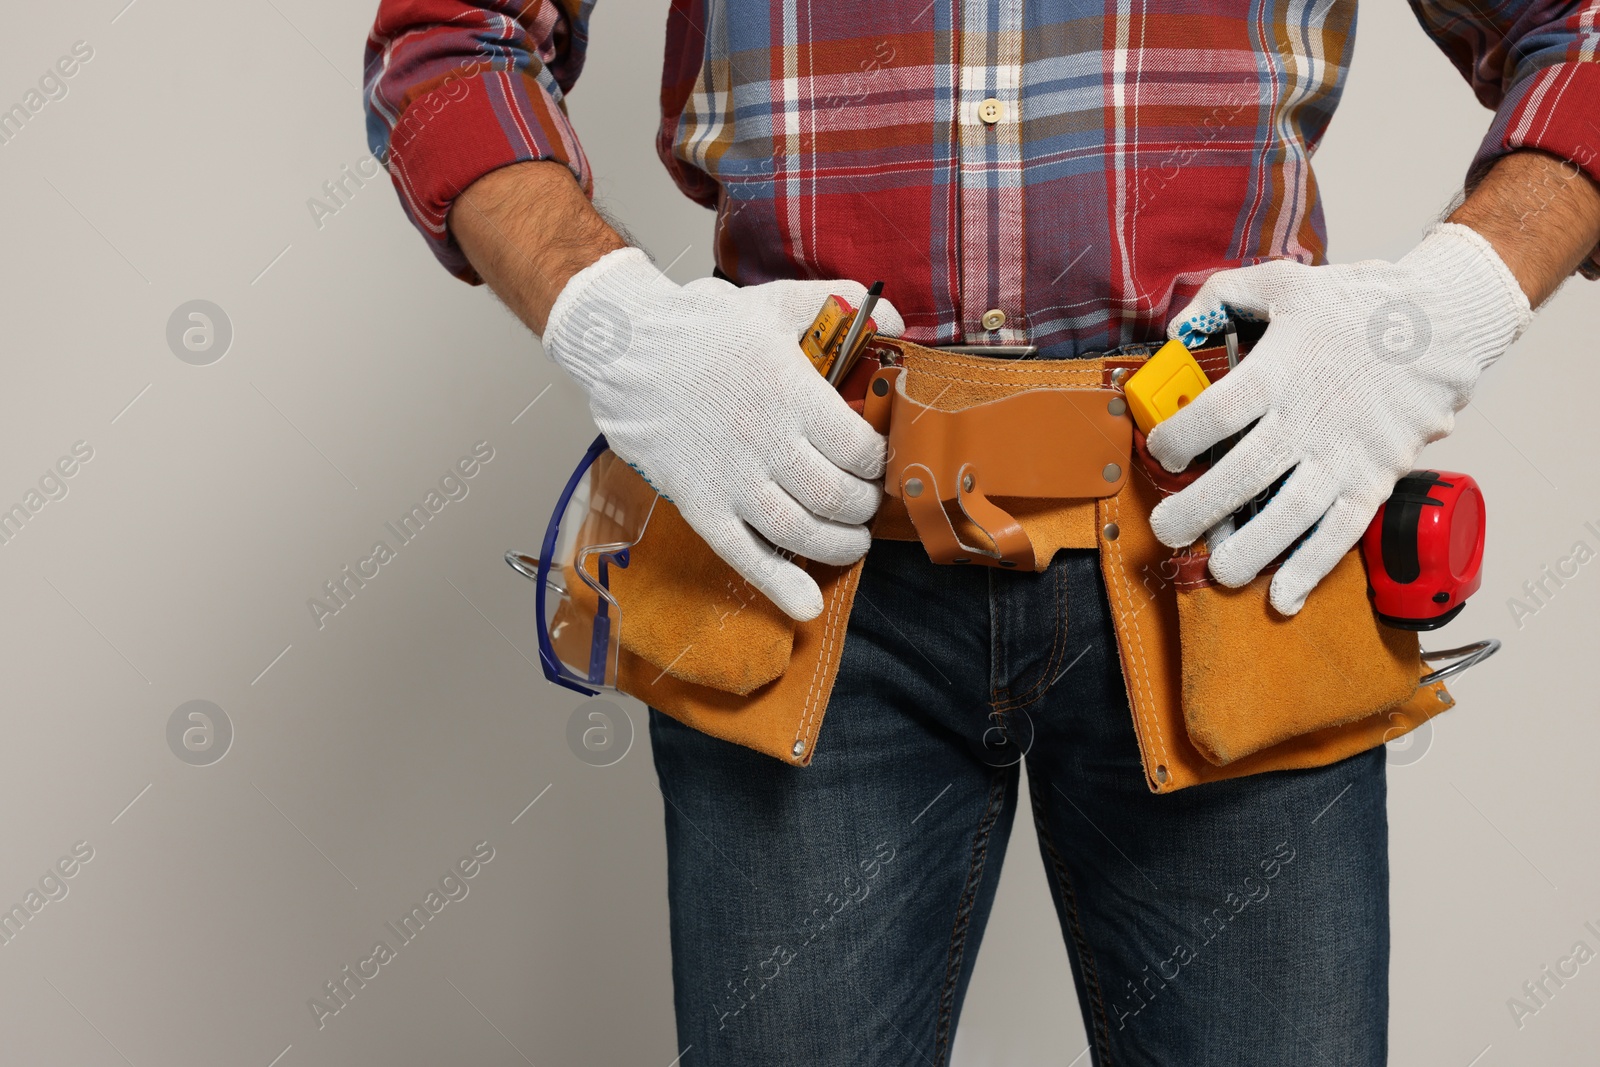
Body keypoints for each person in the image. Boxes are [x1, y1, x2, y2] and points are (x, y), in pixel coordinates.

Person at [364, 2, 1600, 1063]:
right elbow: (447, 41)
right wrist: (617, 320)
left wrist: (1452, 305)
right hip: (810, 534)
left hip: (1224, 541)